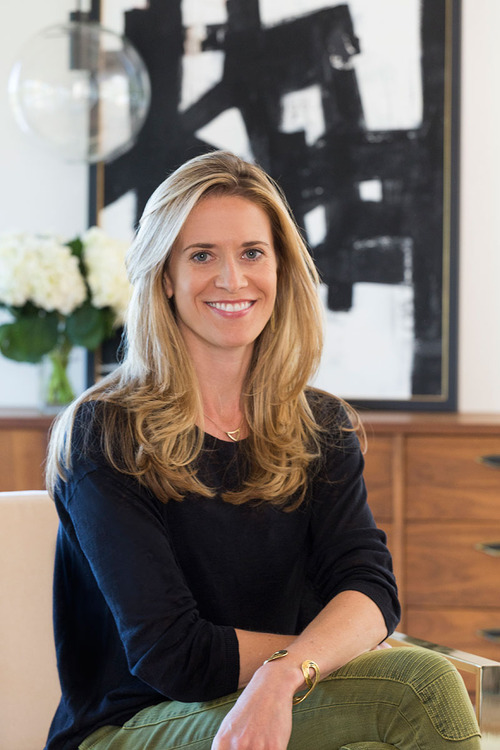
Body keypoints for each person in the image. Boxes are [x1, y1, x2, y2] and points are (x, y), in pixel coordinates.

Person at [44, 150, 480, 750]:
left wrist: (283, 676)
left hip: (272, 694)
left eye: (252, 253)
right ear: (165, 277)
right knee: (417, 687)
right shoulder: (107, 432)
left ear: (281, 269)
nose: (232, 279)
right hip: (131, 724)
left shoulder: (320, 425)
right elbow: (173, 654)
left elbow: (371, 589)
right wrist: (311, 653)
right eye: (202, 256)